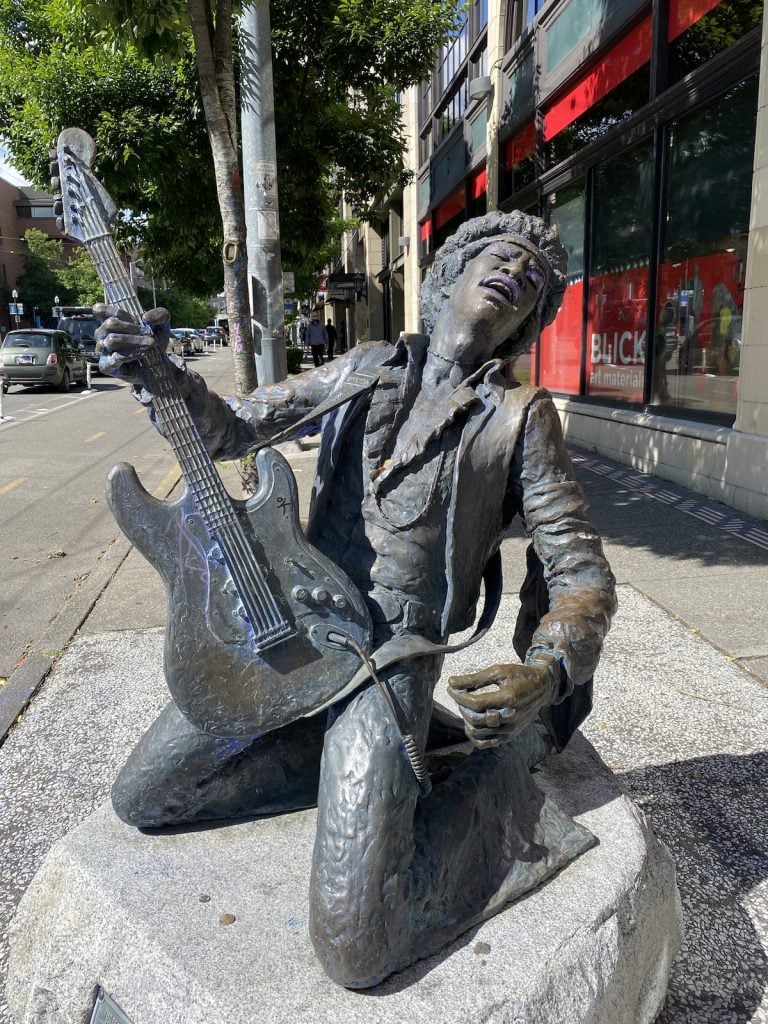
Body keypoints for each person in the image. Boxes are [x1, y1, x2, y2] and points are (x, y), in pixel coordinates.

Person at [97, 210, 616, 990]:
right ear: (449, 277)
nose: (516, 271)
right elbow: (235, 428)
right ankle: (327, 752)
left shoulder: (519, 417)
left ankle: (490, 791)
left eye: (533, 280)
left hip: (389, 662)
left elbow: (581, 574)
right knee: (145, 795)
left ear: (524, 323)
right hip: (295, 630)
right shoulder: (365, 366)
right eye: (499, 256)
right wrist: (166, 379)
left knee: (356, 944)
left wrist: (541, 674)